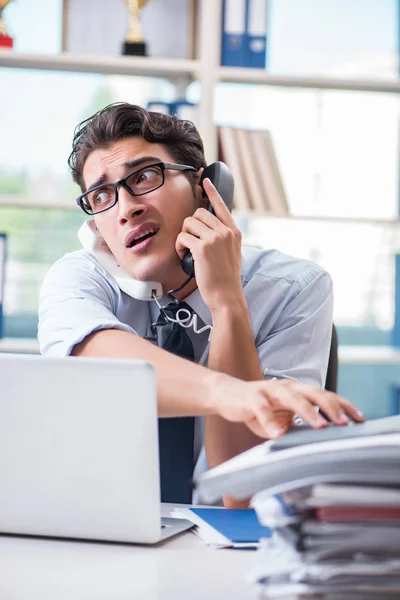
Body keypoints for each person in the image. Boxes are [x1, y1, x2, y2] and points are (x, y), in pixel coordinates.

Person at [38, 102, 364, 507]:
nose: (126, 209)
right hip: (104, 527)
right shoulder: (79, 277)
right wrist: (232, 394)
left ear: (205, 187)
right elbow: (96, 361)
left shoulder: (295, 288)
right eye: (102, 195)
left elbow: (241, 496)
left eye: (143, 176)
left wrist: (228, 303)